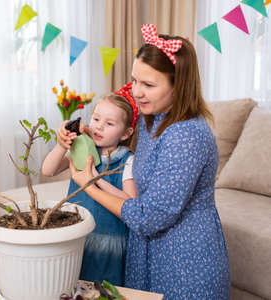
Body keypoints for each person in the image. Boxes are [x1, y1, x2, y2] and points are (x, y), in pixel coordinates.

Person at [67, 24, 230, 299]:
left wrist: (89, 186)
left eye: (149, 84)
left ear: (178, 86)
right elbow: (111, 134)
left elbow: (148, 217)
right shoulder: (150, 119)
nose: (136, 92)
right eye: (135, 80)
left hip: (185, 263)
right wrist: (77, 134)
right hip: (148, 255)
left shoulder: (186, 135)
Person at [41, 88, 139, 286]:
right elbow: (48, 170)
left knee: (104, 289)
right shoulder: (83, 149)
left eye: (109, 123)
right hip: (77, 235)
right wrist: (62, 145)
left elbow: (131, 204)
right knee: (74, 285)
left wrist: (95, 179)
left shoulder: (128, 161)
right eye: (95, 119)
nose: (99, 127)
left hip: (108, 245)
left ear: (126, 133)